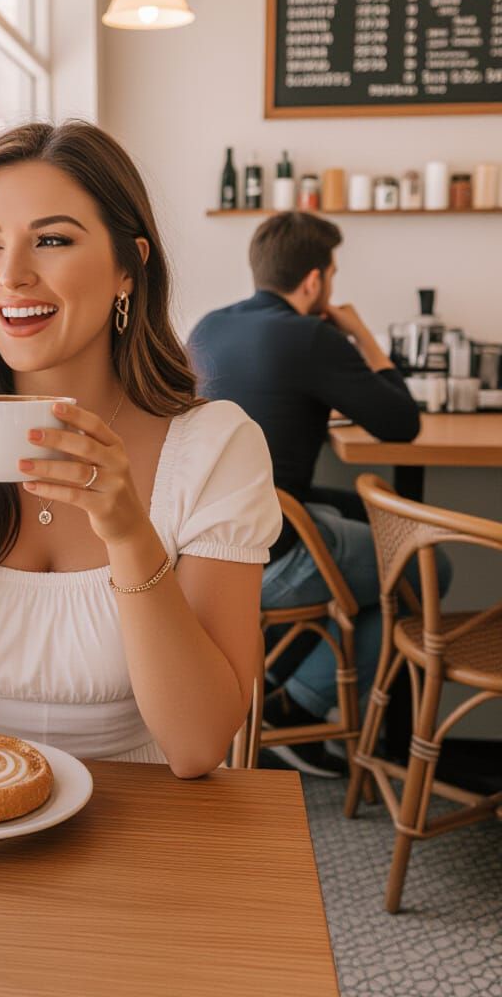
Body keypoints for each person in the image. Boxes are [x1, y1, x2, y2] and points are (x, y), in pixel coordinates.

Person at [0, 120, 281, 776]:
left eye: (52, 240)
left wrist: (128, 531)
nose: (11, 275)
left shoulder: (215, 447)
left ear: (130, 266)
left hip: (141, 819)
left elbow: (198, 744)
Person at [188, 211, 442, 778]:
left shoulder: (209, 326)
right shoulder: (312, 335)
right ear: (314, 281)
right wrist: (360, 334)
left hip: (204, 542)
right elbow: (401, 423)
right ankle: (293, 708)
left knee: (357, 519)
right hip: (275, 547)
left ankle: (281, 686)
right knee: (426, 564)